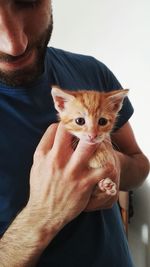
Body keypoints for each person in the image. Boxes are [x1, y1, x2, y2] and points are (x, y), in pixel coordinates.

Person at [0, 1, 149, 266]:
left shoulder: (92, 71)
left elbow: (140, 165)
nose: (15, 45)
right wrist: (44, 215)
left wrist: (113, 165)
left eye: (26, 1)